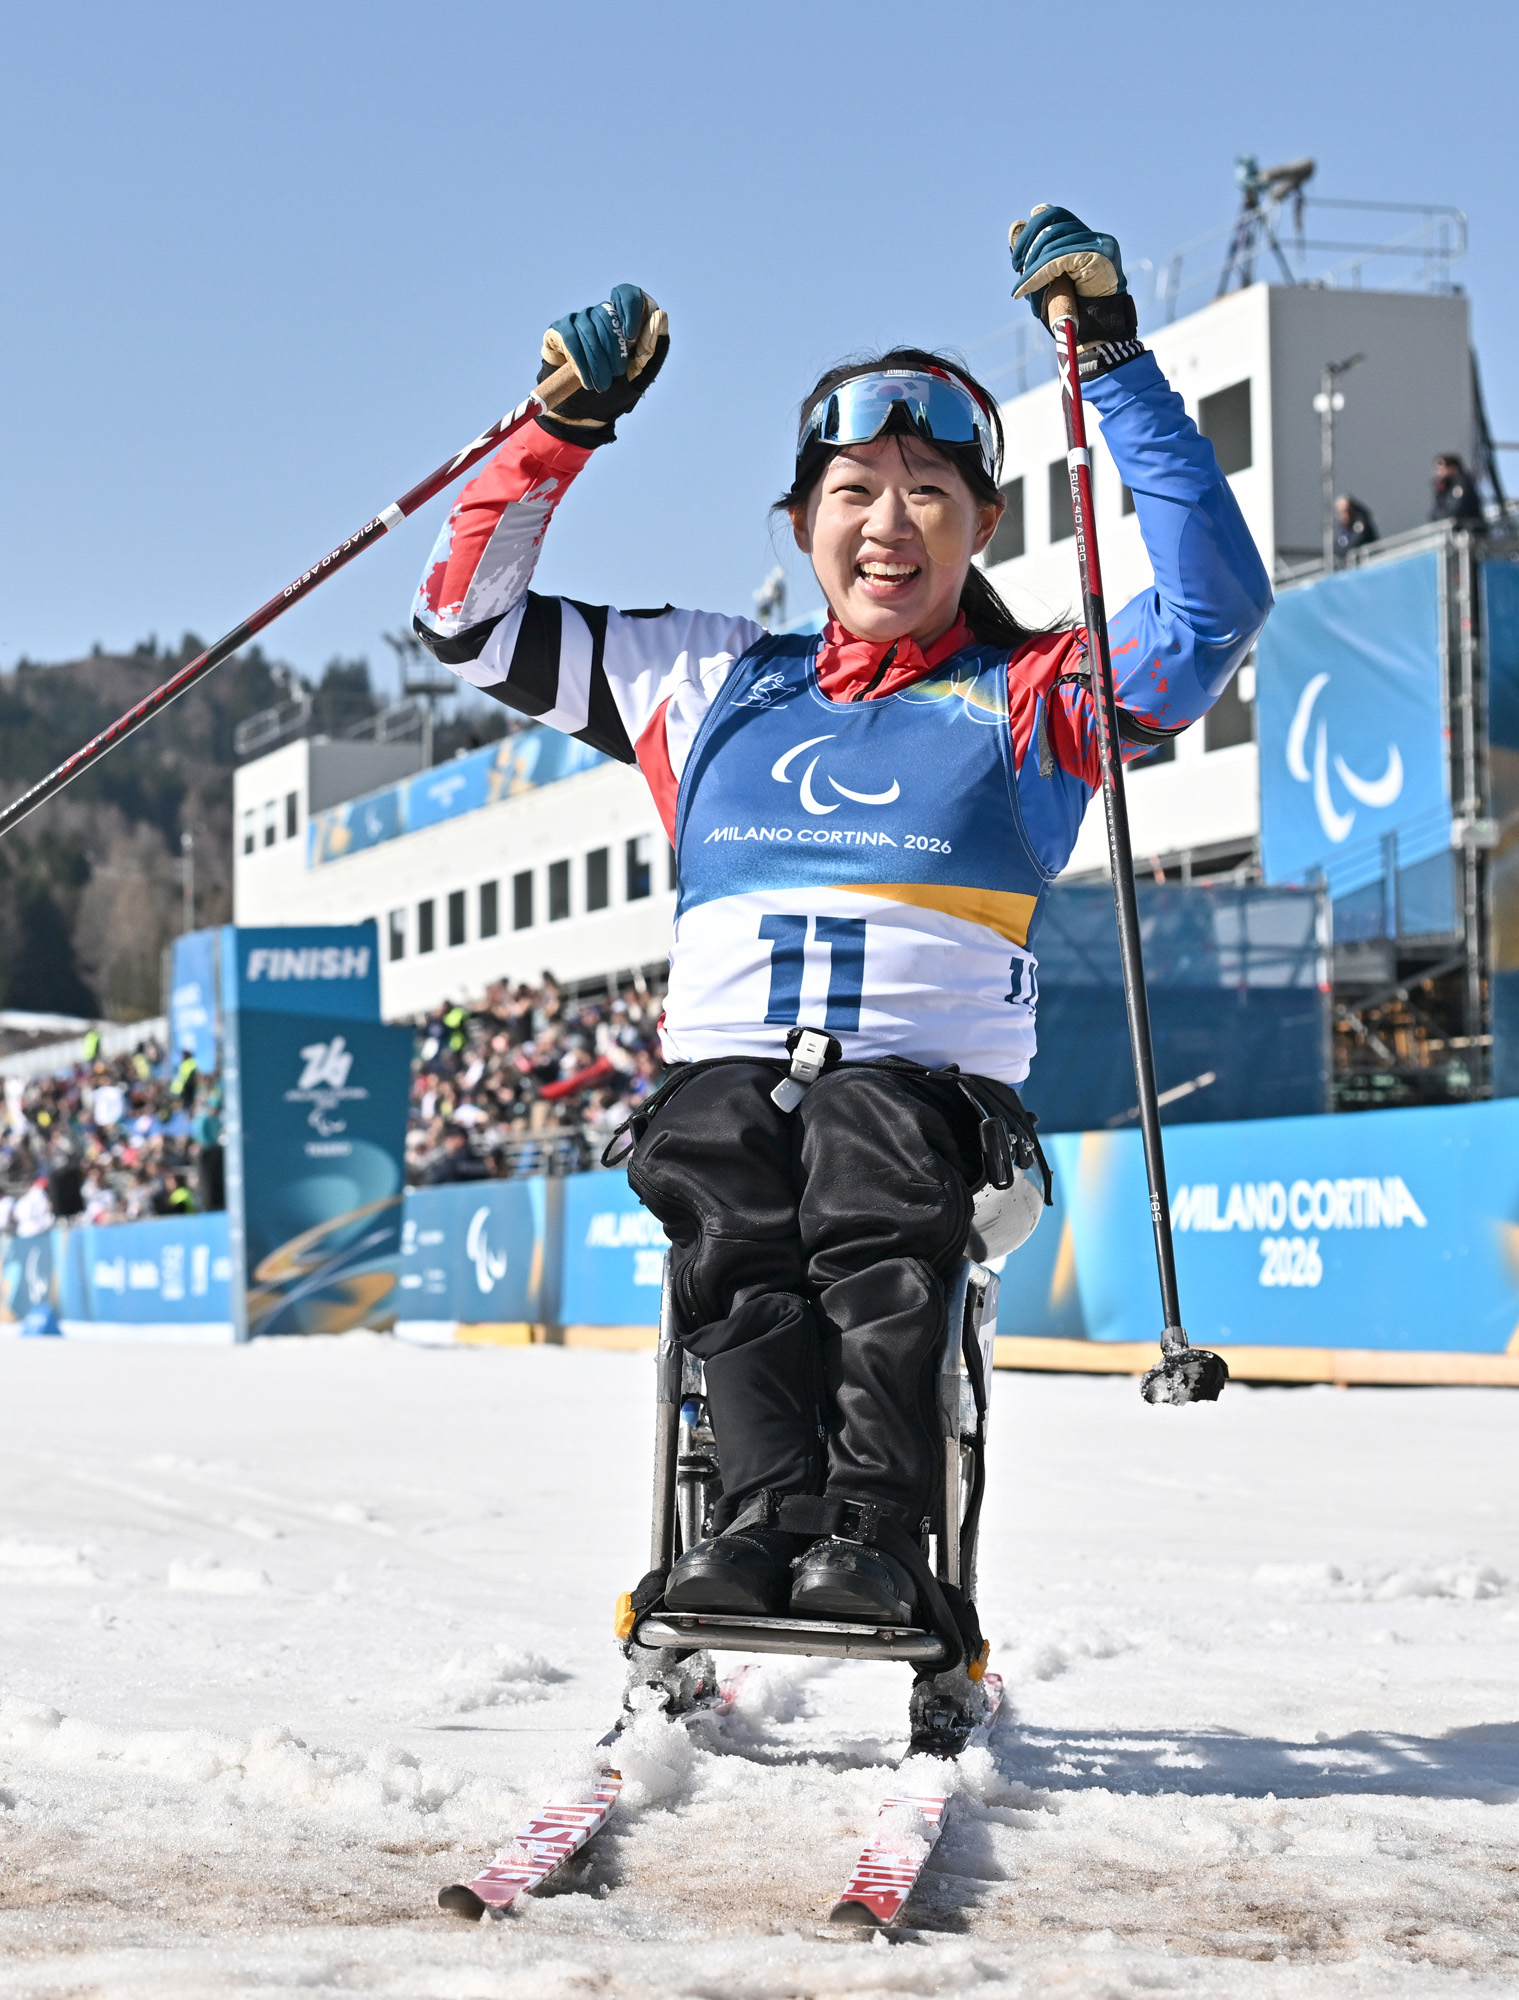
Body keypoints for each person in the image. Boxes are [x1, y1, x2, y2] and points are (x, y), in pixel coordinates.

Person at [411, 209, 1271, 1654]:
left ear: (981, 522)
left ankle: (874, 1529)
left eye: (928, 488)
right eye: (855, 489)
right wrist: (559, 427)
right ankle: (758, 1521)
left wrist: (1110, 358)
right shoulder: (699, 676)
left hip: (933, 1112)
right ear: (802, 520)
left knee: (861, 1149)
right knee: (718, 1146)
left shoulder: (1033, 692)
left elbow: (1209, 606)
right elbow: (464, 623)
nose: (888, 522)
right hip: (730, 1083)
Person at [1431, 454, 1486, 533]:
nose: (1439, 472)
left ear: (1453, 468)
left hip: (1469, 531)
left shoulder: (1462, 482)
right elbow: (1436, 511)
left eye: (1442, 468)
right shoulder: (1444, 486)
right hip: (1453, 530)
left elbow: (1457, 508)